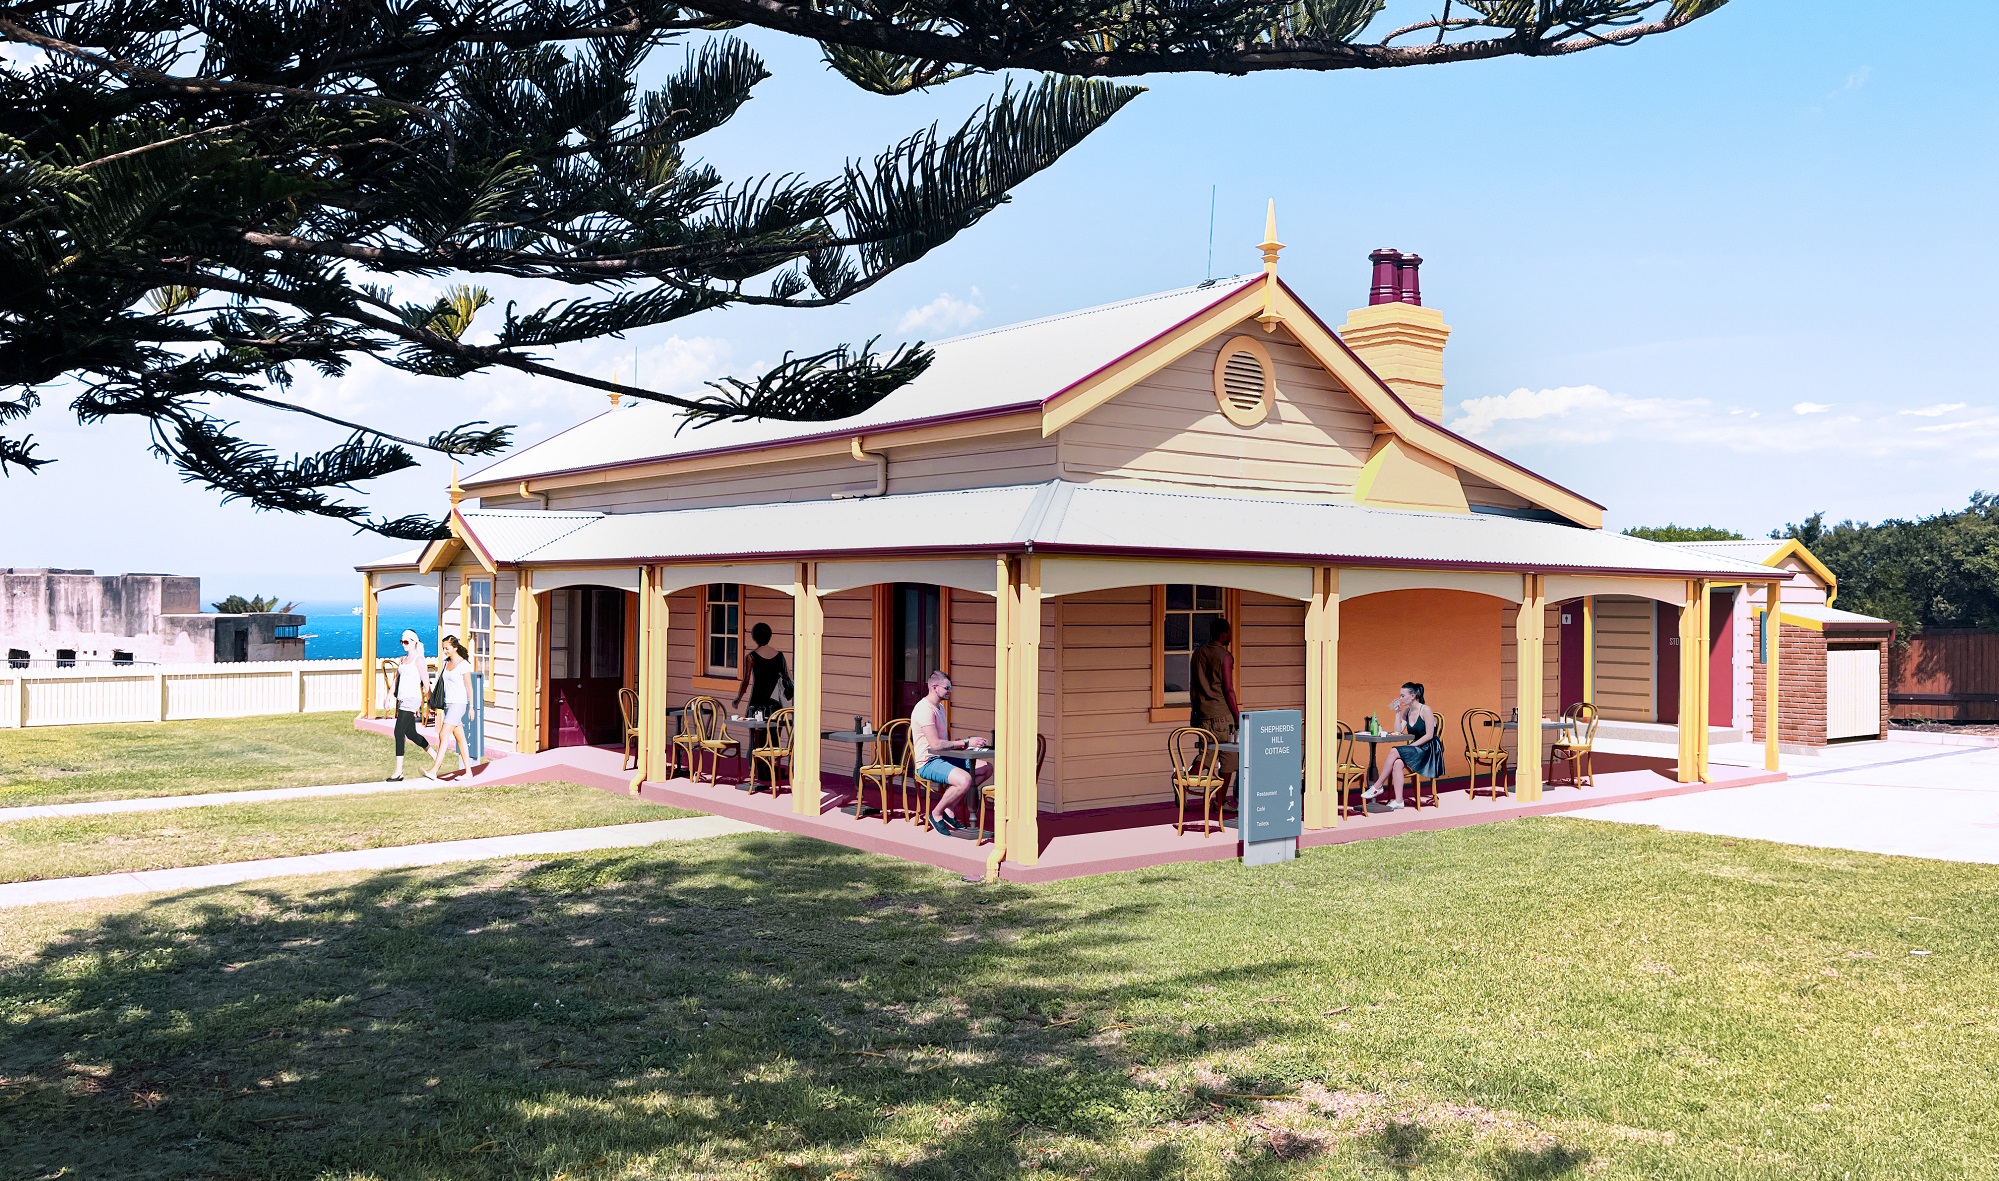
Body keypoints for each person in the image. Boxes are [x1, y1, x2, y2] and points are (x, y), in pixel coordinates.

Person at [909, 670, 992, 837]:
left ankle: (949, 808)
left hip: (944, 757)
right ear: (934, 687)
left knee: (986, 768)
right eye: (947, 688)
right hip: (928, 761)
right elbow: (935, 745)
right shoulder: (924, 709)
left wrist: (959, 746)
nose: (950, 691)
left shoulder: (939, 707)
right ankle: (936, 813)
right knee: (965, 779)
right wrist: (966, 742)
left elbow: (943, 743)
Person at [1362, 682, 1445, 810]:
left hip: (1428, 749)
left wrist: (1412, 746)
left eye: (1402, 696)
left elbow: (1429, 735)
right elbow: (1398, 731)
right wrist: (1397, 712)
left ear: (1412, 696)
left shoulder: (1426, 710)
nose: (1400, 699)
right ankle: (1399, 801)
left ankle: (1377, 786)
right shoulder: (1407, 711)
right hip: (1416, 748)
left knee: (1394, 751)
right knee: (1397, 764)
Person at [1189, 617, 1239, 784]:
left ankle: (1183, 780)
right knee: (1228, 758)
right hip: (1222, 715)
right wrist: (1237, 717)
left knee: (1206, 754)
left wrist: (1194, 711)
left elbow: (1194, 687)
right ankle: (1220, 800)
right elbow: (1228, 689)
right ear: (1223, 635)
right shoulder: (1225, 656)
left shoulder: (1198, 653)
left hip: (1203, 713)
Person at [426, 635, 474, 780]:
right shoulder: (445, 663)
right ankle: (469, 772)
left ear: (455, 647)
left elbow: (469, 687)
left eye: (447, 648)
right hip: (448, 703)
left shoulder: (464, 664)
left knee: (443, 734)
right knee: (460, 738)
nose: (445, 651)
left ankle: (434, 770)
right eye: (443, 649)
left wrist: (471, 707)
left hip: (459, 704)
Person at [386, 629, 431, 781]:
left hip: (412, 699)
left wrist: (429, 702)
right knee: (411, 734)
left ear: (414, 642)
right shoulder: (403, 660)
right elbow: (396, 680)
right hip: (403, 699)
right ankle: (436, 756)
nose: (404, 644)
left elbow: (426, 682)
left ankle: (398, 772)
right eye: (402, 642)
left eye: (406, 642)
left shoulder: (419, 660)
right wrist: (388, 697)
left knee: (399, 731)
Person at [732, 622, 792, 720]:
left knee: (756, 733)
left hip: (758, 701)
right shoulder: (779, 656)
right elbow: (789, 677)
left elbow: (746, 681)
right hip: (776, 702)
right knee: (775, 733)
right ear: (769, 636)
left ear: (755, 637)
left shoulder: (752, 657)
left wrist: (738, 700)